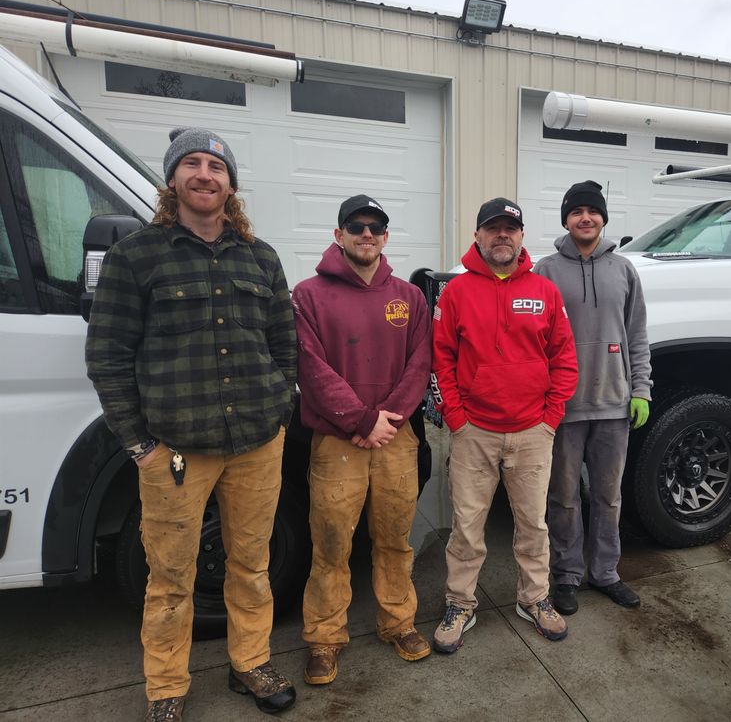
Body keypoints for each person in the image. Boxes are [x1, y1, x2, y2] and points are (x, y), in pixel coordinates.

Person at [85, 128, 298, 721]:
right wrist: (139, 444)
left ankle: (250, 662)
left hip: (257, 442)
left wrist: (281, 407)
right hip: (174, 452)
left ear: (231, 186)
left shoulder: (261, 258)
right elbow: (107, 356)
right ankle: (167, 688)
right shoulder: (136, 257)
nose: (205, 174)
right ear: (173, 179)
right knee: (171, 577)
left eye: (216, 166)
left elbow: (286, 345)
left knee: (251, 566)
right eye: (192, 164)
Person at [293, 194, 433, 684]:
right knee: (331, 544)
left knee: (395, 539)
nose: (366, 234)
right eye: (356, 226)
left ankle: (398, 622)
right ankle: (325, 638)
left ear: (386, 237)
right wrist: (359, 419)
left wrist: (387, 420)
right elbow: (310, 368)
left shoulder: (409, 298)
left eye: (376, 226)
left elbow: (421, 363)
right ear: (339, 235)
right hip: (338, 442)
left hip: (396, 437)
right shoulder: (308, 296)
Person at [430, 198, 578, 653]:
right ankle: (460, 604)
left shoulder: (546, 292)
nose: (502, 236)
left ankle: (534, 599)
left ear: (520, 237)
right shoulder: (455, 292)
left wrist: (550, 418)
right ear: (476, 236)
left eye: (509, 229)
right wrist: (457, 417)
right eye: (492, 228)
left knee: (534, 524)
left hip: (532, 432)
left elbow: (565, 359)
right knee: (467, 526)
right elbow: (442, 359)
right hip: (475, 433)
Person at [533, 180, 652, 616]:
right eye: (576, 211)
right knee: (563, 498)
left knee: (608, 495)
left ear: (603, 218)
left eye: (593, 211)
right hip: (563, 409)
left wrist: (640, 390)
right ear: (565, 219)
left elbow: (637, 334)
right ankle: (566, 575)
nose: (586, 217)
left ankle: (605, 572)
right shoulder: (545, 271)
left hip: (615, 405)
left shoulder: (623, 270)